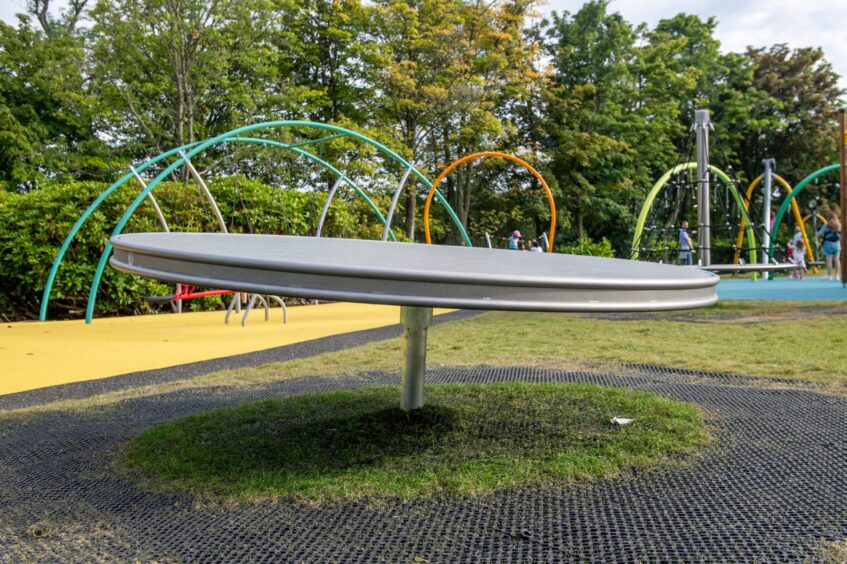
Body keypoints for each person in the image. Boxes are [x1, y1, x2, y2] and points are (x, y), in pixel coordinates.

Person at [818, 213, 841, 280]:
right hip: (837, 244)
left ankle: (829, 275)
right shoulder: (839, 226)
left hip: (828, 244)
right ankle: (837, 275)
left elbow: (820, 233)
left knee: (829, 260)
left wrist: (816, 236)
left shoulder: (826, 226)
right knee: (837, 260)